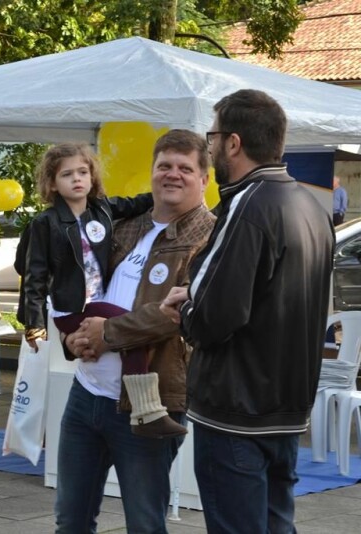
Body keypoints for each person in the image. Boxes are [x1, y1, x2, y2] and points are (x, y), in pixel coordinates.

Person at [161, 90, 334, 533]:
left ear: (233, 143)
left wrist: (186, 307)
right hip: (286, 409)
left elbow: (217, 316)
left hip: (237, 410)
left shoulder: (249, 204)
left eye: (213, 137)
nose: (211, 146)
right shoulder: (311, 206)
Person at [59, 129, 215, 533]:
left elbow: (178, 315)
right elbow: (84, 283)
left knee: (144, 524)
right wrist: (72, 335)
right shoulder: (125, 226)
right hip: (87, 394)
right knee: (70, 520)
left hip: (150, 403)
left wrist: (106, 333)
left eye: (185, 168)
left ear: (205, 179)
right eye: (164, 165)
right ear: (152, 172)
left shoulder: (211, 237)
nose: (173, 175)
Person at [21, 143, 187, 439]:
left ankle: (146, 412)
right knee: (126, 327)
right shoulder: (45, 223)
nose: (77, 179)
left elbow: (139, 203)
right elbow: (34, 277)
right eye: (67, 174)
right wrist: (34, 326)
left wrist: (174, 195)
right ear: (53, 184)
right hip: (72, 308)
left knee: (128, 337)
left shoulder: (102, 209)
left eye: (83, 172)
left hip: (95, 301)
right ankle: (147, 411)